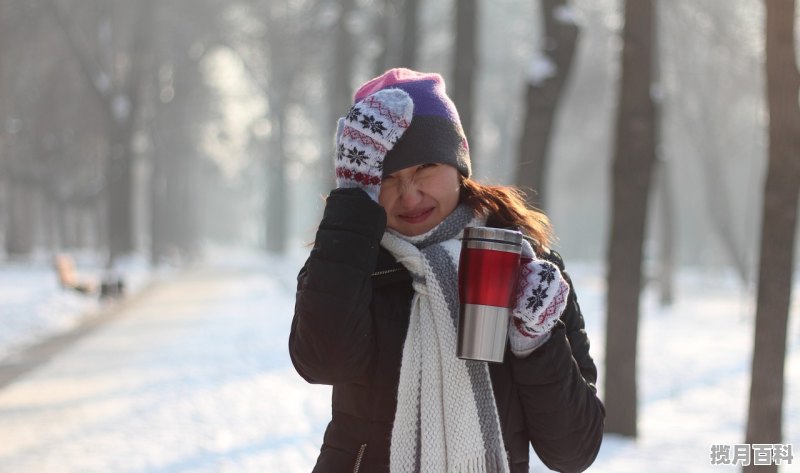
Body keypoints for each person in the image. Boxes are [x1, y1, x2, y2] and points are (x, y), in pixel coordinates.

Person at [289, 68, 604, 473]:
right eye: (386, 177)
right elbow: (322, 363)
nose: (410, 194)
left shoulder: (530, 269)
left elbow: (574, 451)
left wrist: (535, 340)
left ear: (458, 164)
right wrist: (352, 204)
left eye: (425, 168)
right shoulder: (348, 262)